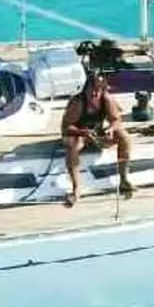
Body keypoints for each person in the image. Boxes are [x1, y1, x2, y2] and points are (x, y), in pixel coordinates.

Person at [60, 69, 134, 206]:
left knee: (125, 137)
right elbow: (66, 127)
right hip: (78, 134)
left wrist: (111, 128)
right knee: (72, 146)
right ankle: (76, 189)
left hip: (97, 133)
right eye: (92, 90)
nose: (95, 93)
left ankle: (124, 179)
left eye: (98, 91)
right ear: (87, 88)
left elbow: (116, 120)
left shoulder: (106, 99)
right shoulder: (78, 102)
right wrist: (83, 132)